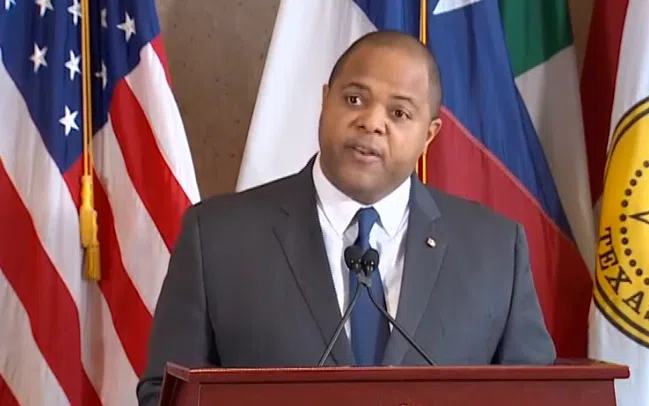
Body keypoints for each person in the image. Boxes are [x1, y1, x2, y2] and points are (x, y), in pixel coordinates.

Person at [136, 30, 555, 405]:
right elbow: (165, 395)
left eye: (399, 113)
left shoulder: (496, 250)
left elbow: (539, 398)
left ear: (429, 135)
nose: (371, 123)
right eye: (354, 99)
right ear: (325, 100)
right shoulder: (218, 238)